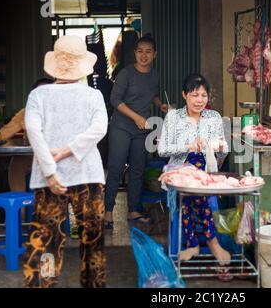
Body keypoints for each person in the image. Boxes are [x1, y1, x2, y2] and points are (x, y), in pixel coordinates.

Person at [22, 35, 108, 288]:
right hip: (88, 174)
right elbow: (99, 129)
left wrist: (50, 168)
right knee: (92, 238)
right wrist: (68, 151)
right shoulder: (93, 96)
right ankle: (93, 285)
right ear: (82, 65)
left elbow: (33, 133)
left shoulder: (38, 95)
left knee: (47, 240)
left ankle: (45, 284)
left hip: (50, 179)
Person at [157, 74, 230, 265]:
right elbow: (162, 149)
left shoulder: (213, 117)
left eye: (203, 95)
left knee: (193, 191)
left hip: (205, 173)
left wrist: (220, 147)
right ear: (184, 95)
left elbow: (224, 150)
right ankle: (213, 244)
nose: (199, 100)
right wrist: (188, 146)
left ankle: (192, 244)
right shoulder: (173, 116)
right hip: (179, 170)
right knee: (191, 190)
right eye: (194, 95)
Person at [104, 33, 168, 228]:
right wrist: (136, 117)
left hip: (142, 129)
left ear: (154, 54)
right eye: (140, 51)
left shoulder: (155, 75)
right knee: (115, 169)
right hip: (121, 127)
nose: (144, 55)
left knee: (138, 170)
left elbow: (152, 93)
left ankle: (133, 210)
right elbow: (115, 100)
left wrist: (160, 104)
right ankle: (107, 212)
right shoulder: (126, 73)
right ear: (135, 53)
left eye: (148, 52)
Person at [0, 78, 54, 192]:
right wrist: (20, 125)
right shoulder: (26, 112)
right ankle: (21, 206)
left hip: (57, 154)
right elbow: (2, 135)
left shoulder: (62, 111)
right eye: (39, 93)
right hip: (32, 156)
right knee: (16, 163)